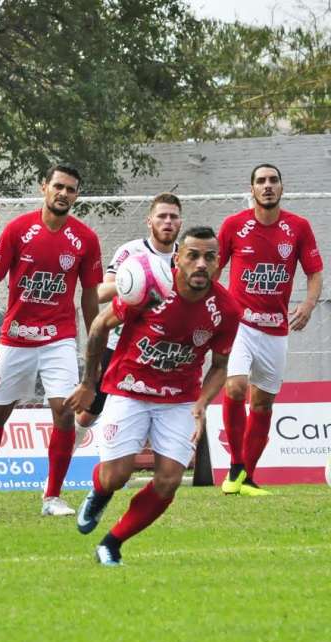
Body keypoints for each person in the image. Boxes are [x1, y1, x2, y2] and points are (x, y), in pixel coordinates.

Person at [66, 226, 241, 565]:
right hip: (129, 389)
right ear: (178, 259)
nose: (201, 264)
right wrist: (88, 383)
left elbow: (220, 366)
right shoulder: (149, 289)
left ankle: (111, 543)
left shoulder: (227, 310)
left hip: (179, 399)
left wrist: (202, 403)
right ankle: (100, 492)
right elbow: (100, 325)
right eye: (193, 255)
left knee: (169, 479)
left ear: (219, 263)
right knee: (115, 476)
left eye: (209, 257)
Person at [0, 164, 102, 517]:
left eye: (71, 189)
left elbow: (90, 296)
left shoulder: (86, 239)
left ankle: (52, 497)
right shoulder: (18, 229)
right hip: (15, 339)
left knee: (64, 413)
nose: (63, 194)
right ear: (44, 187)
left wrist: (93, 344)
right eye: (58, 186)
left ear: (77, 195)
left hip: (59, 339)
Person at [217, 164, 323, 496]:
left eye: (273, 180)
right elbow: (213, 270)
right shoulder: (234, 225)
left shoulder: (298, 227)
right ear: (251, 189)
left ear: (281, 187)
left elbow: (315, 272)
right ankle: (235, 465)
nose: (267, 186)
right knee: (236, 387)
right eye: (261, 181)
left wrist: (308, 304)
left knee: (262, 404)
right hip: (240, 324)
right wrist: (213, 308)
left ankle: (246, 478)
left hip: (276, 330)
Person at [74, 193, 182, 440]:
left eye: (173, 217)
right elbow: (100, 292)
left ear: (180, 222)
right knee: (90, 412)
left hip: (161, 348)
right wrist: (138, 281)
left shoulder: (186, 257)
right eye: (161, 216)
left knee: (159, 411)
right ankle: (63, 457)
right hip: (119, 344)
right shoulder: (131, 251)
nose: (167, 221)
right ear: (149, 221)